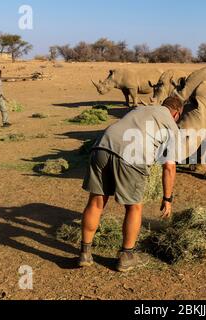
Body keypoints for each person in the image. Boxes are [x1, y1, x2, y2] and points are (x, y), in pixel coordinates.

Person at [79, 97, 184, 272]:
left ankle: (84, 253)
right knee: (134, 207)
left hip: (102, 145)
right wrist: (167, 198)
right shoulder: (172, 126)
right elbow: (169, 168)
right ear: (177, 113)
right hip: (132, 155)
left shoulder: (142, 109)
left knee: (96, 202)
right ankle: (126, 256)